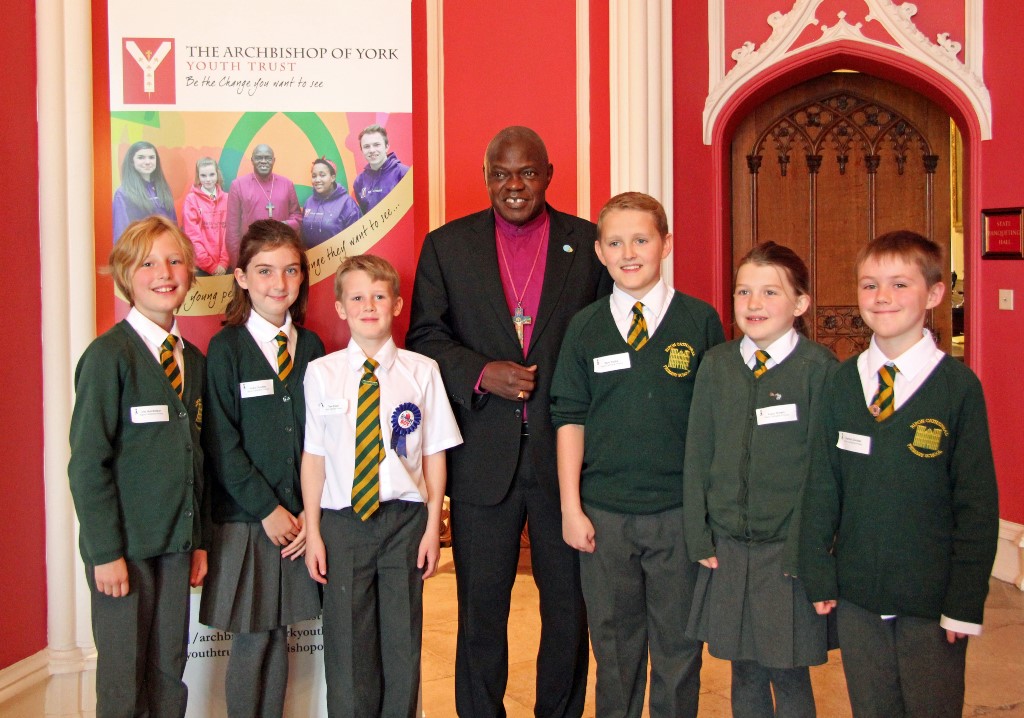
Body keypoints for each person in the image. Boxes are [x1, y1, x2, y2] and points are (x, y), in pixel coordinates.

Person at [407, 125, 611, 718]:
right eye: (501, 174)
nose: (514, 186)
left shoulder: (588, 241)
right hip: (482, 458)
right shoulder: (448, 246)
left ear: (549, 174)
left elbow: (604, 334)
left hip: (565, 462)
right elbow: (425, 337)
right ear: (486, 177)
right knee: (480, 611)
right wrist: (479, 372)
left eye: (526, 173)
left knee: (568, 611)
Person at [799, 231, 999, 718]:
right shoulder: (842, 382)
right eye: (869, 285)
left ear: (933, 295)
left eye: (899, 284)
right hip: (859, 595)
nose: (882, 297)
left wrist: (964, 603)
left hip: (931, 602)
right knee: (872, 706)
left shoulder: (957, 388)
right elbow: (821, 485)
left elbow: (976, 505)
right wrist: (819, 573)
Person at [551, 191, 724, 718]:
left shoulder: (700, 322)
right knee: (615, 647)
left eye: (642, 239)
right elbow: (569, 419)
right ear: (600, 253)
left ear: (666, 245)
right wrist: (570, 507)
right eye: (615, 242)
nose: (629, 252)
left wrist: (706, 516)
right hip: (604, 517)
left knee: (678, 647)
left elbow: (716, 423)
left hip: (678, 516)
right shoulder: (584, 327)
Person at [301, 254, 462, 717]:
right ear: (339, 307)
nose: (368, 305)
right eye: (356, 297)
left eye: (378, 296)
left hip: (404, 524)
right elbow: (314, 458)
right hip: (342, 526)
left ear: (396, 303)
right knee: (349, 650)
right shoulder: (322, 374)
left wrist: (433, 528)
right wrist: (313, 531)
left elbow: (434, 455)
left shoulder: (422, 371)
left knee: (401, 644)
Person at [682, 241, 834, 718]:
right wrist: (697, 531)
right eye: (744, 291)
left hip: (787, 552)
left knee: (789, 670)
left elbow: (824, 471)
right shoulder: (716, 365)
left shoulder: (819, 370)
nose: (753, 304)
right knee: (742, 667)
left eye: (770, 292)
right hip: (728, 547)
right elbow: (697, 452)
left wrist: (809, 549)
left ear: (801, 303)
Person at [68, 215, 207, 717]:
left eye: (174, 260)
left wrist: (199, 542)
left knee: (170, 669)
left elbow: (197, 458)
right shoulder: (109, 356)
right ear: (127, 276)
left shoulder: (192, 358)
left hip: (175, 546)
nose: (164, 272)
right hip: (122, 553)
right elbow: (87, 464)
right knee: (124, 680)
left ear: (190, 272)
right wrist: (105, 552)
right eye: (148, 263)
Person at [200, 220, 324, 717]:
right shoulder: (225, 349)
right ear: (242, 278)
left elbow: (321, 439)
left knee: (279, 638)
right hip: (250, 522)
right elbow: (222, 445)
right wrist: (269, 509)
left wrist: (303, 515)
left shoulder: (312, 348)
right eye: (266, 271)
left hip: (297, 523)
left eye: (291, 271)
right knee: (252, 642)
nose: (280, 283)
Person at [225, 143, 302, 269]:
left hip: (281, 253)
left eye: (267, 158)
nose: (263, 161)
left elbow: (297, 217)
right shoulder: (238, 185)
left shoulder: (287, 184)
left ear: (273, 160)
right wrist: (237, 264)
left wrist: (284, 224)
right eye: (259, 158)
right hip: (252, 255)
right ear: (252, 160)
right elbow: (232, 231)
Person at [112, 140, 177, 242]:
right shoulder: (123, 193)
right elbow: (121, 235)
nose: (147, 162)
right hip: (140, 254)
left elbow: (173, 226)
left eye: (151, 157)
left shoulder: (163, 189)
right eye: (141, 157)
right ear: (132, 162)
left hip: (165, 251)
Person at [301, 157, 362, 249]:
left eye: (322, 175)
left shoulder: (347, 203)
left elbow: (358, 239)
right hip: (312, 261)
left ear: (332, 177)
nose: (317, 180)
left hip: (340, 260)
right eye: (314, 176)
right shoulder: (309, 202)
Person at [182, 157, 229, 276]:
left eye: (212, 174)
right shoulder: (191, 200)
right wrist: (210, 266)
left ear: (217, 174)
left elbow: (230, 233)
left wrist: (224, 262)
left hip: (225, 266)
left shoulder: (228, 199)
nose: (208, 179)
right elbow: (192, 236)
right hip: (201, 267)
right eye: (203, 176)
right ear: (198, 176)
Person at [353, 124, 410, 214]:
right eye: (367, 146)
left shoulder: (405, 174)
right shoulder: (359, 182)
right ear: (362, 150)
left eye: (376, 145)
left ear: (387, 147)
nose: (372, 150)